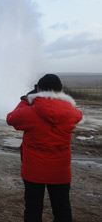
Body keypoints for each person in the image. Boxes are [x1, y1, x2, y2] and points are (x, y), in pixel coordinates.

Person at [6, 74, 83, 222]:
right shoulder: (71, 112)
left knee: (33, 209)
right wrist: (63, 100)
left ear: (39, 89)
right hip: (60, 172)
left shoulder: (31, 111)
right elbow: (78, 115)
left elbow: (11, 118)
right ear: (60, 91)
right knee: (62, 209)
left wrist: (25, 100)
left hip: (33, 171)